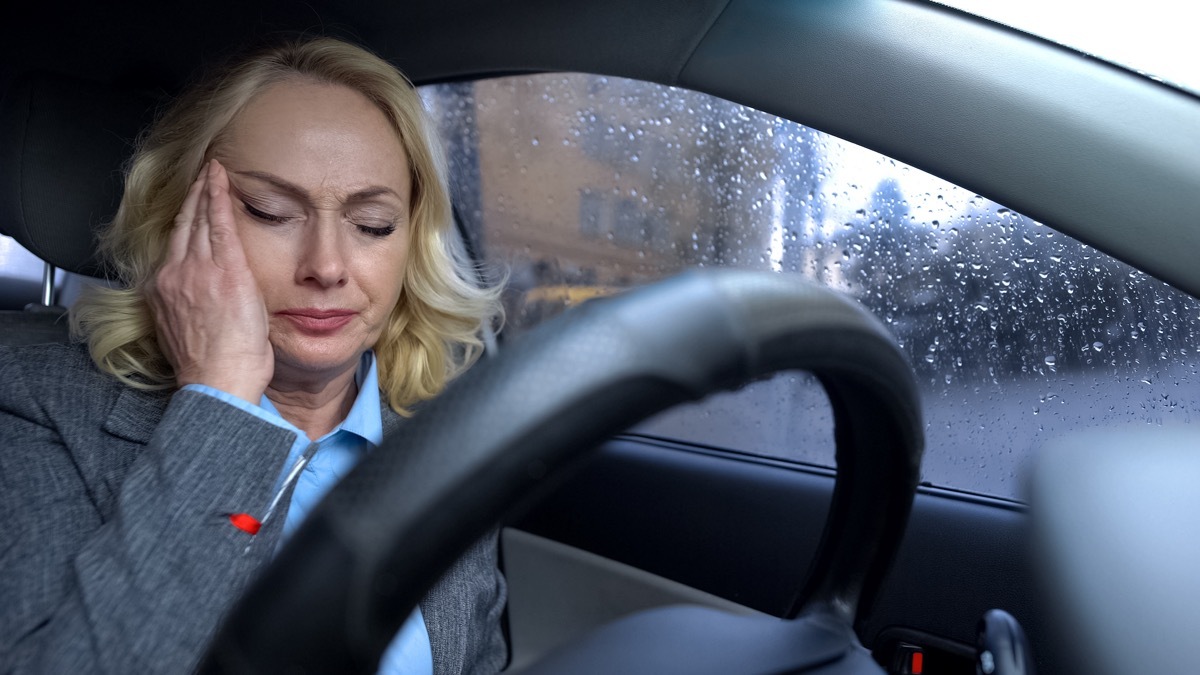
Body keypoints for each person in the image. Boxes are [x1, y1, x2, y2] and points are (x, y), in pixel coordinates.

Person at [0, 36, 506, 674]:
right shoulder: (30, 405)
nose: (326, 266)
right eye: (271, 212)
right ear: (173, 219)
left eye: (373, 224)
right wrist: (220, 401)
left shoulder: (447, 443)